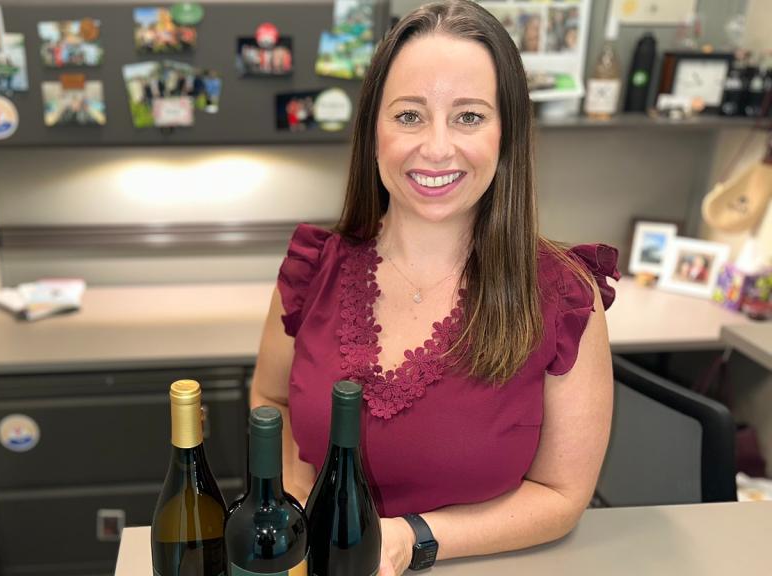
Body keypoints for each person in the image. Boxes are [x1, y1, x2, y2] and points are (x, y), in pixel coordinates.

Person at [250, 1, 619, 575]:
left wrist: (411, 539)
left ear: (507, 135)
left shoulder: (564, 298)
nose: (438, 147)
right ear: (372, 131)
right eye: (409, 115)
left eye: (469, 116)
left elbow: (562, 494)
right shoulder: (311, 270)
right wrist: (296, 500)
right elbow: (270, 399)